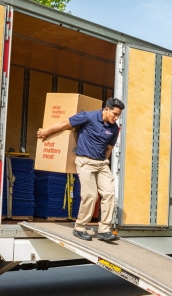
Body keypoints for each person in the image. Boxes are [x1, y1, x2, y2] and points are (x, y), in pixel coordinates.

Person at [37, 98, 124, 242]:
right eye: (114, 114)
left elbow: (109, 148)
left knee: (109, 193)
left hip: (101, 164)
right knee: (90, 195)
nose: (116, 118)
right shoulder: (88, 117)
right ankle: (80, 227)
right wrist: (46, 132)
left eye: (118, 115)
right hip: (85, 162)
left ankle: (104, 230)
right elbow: (65, 124)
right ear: (106, 109)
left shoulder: (114, 128)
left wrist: (104, 161)